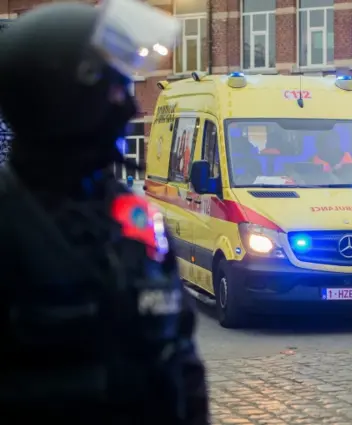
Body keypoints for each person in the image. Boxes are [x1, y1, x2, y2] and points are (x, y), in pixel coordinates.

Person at [0, 3, 209, 425]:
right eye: (114, 89)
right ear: (63, 100)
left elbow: (181, 356)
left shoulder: (137, 221)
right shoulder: (11, 222)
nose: (130, 108)